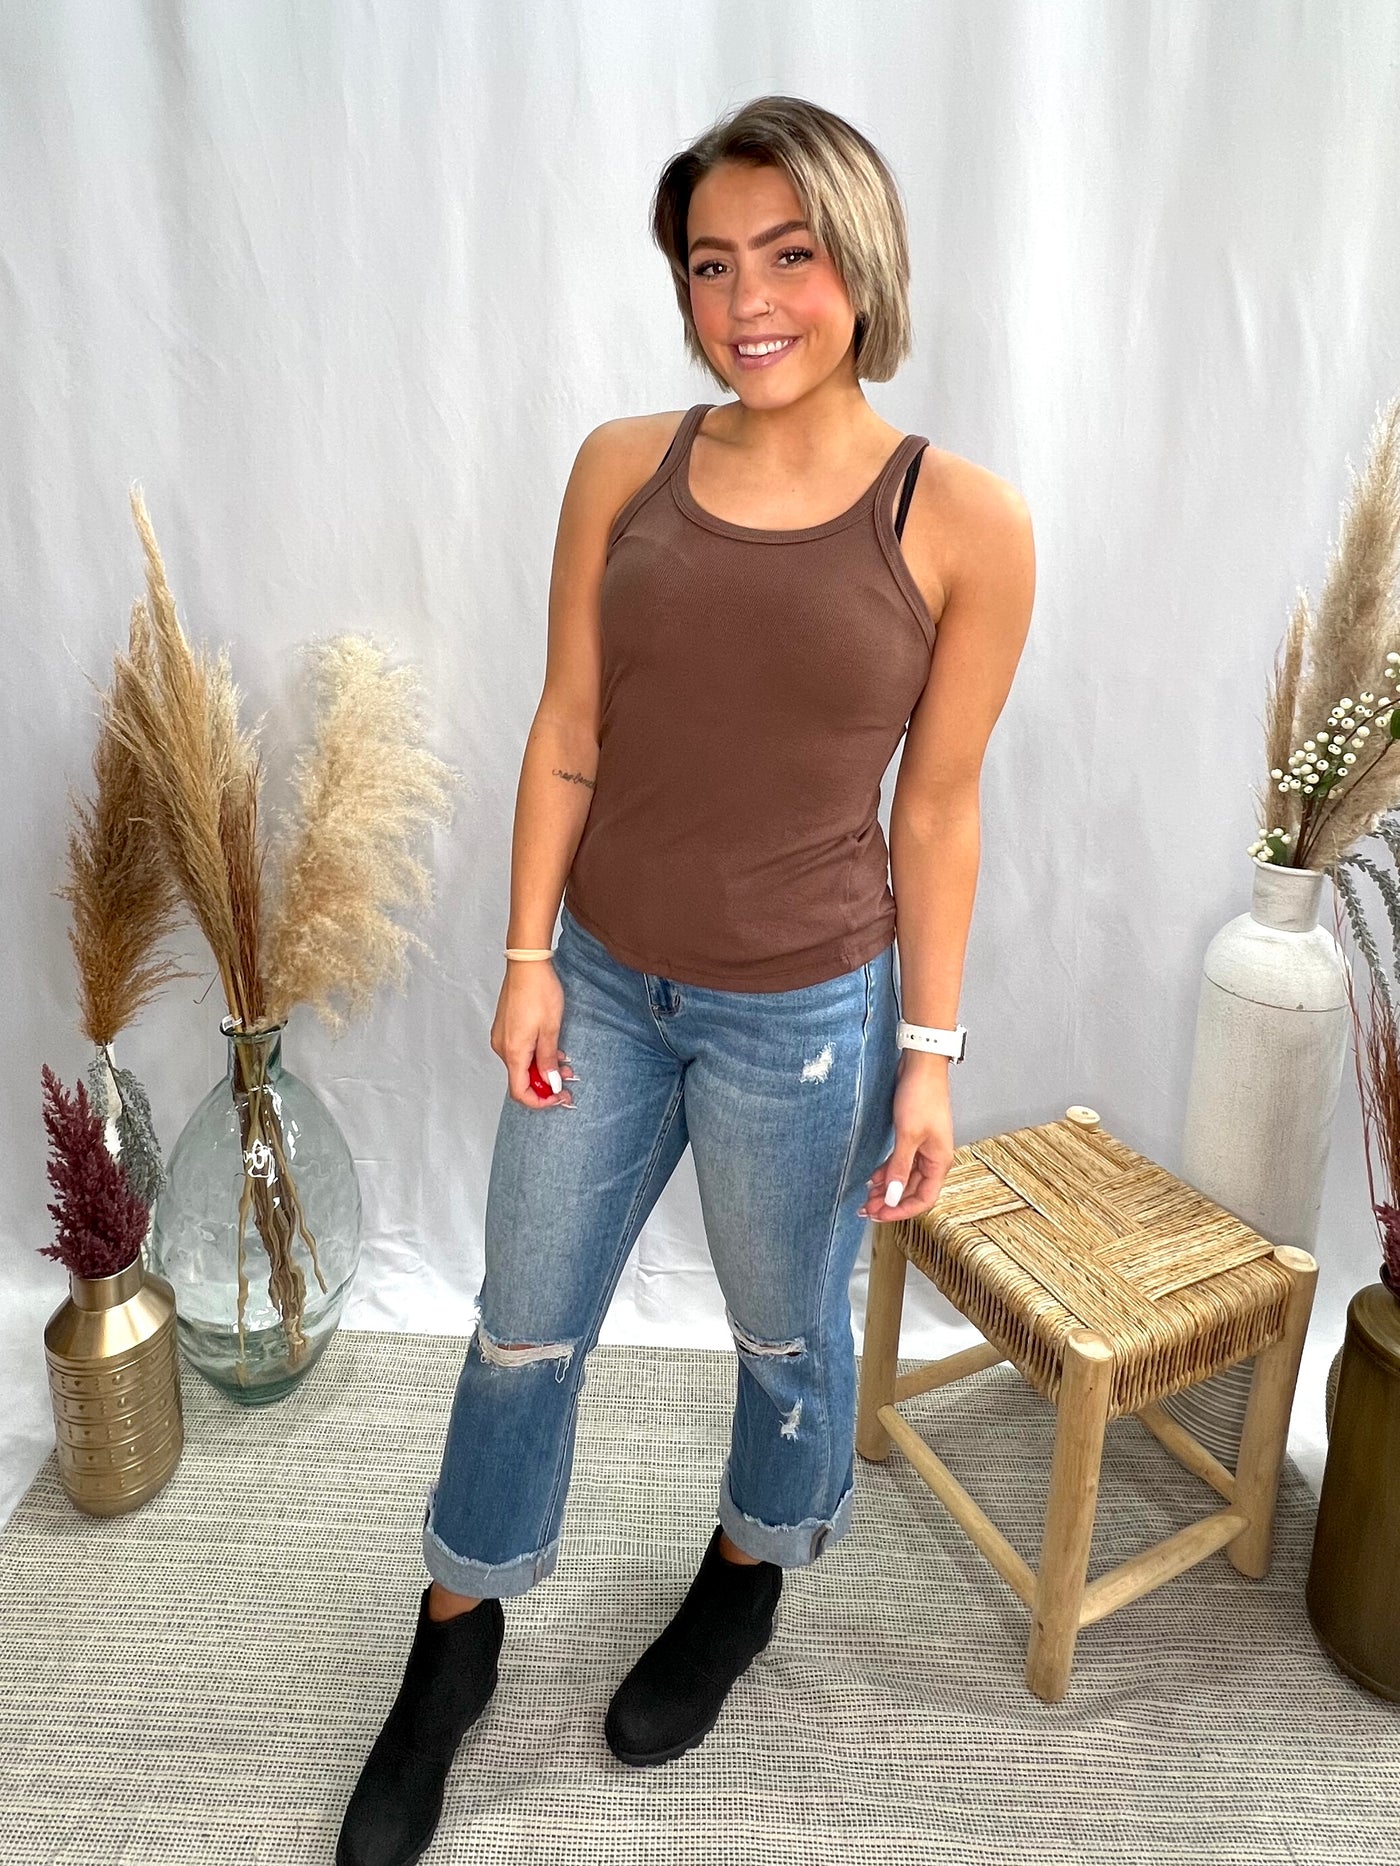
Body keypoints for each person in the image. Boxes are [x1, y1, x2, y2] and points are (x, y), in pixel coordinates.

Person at [337, 92, 1035, 1866]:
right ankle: (454, 1638)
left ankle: (746, 1573)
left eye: (787, 257)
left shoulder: (963, 520)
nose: (747, 302)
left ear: (861, 265)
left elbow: (939, 808)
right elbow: (568, 729)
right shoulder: (621, 466)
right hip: (601, 985)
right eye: (711, 265)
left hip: (804, 1019)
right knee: (520, 1324)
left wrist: (931, 1053)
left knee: (787, 1336)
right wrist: (525, 955)